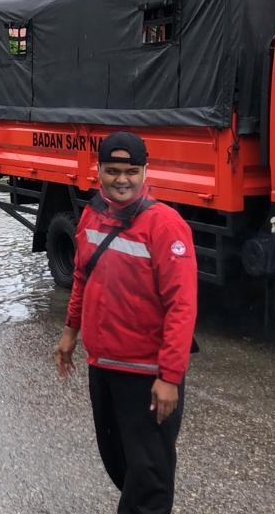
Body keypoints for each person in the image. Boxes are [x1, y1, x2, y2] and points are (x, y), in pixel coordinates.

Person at [53, 132, 198, 514]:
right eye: (113, 170)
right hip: (103, 367)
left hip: (147, 374)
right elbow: (83, 276)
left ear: (146, 170)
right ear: (97, 170)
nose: (122, 179)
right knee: (120, 464)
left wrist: (169, 377)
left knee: (150, 477)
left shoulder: (166, 225)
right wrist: (70, 332)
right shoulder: (92, 214)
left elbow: (182, 307)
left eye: (131, 171)